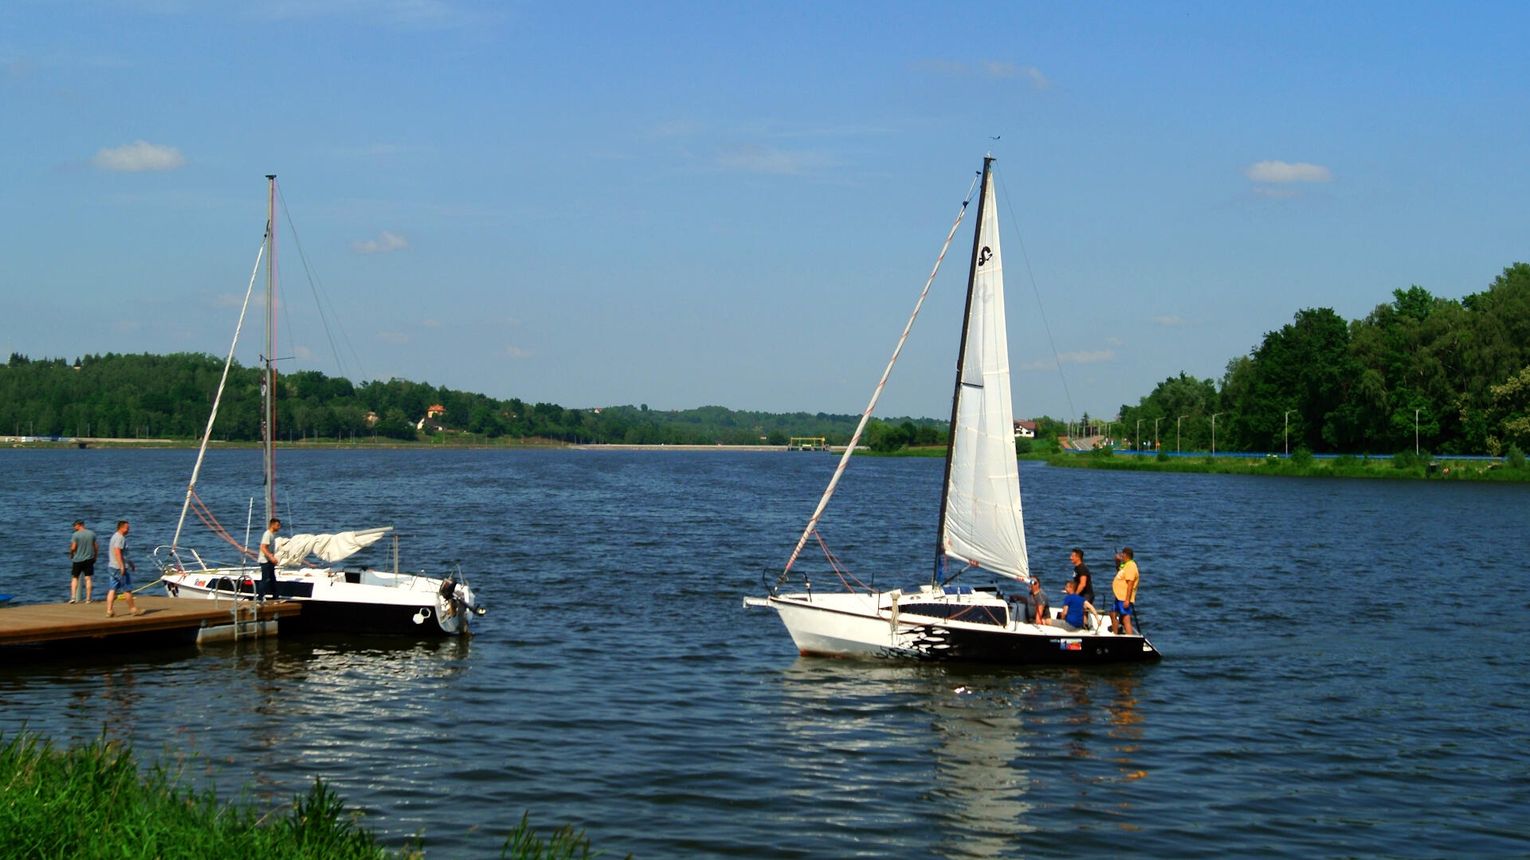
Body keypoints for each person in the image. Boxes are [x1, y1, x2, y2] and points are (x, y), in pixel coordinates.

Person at [104, 519, 143, 618]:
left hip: (112, 566)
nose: (128, 530)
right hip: (119, 568)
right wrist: (122, 566)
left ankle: (109, 610)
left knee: (112, 589)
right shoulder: (120, 538)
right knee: (127, 589)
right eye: (127, 528)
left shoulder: (114, 536)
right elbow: (117, 552)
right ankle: (133, 609)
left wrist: (130, 563)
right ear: (121, 528)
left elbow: (123, 554)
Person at [1110, 547, 1140, 635]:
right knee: (1112, 614)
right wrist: (1117, 561)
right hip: (1119, 597)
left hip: (1124, 597)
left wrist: (1127, 600)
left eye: (1122, 554)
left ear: (1126, 555)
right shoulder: (1125, 565)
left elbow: (1130, 584)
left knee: (1125, 618)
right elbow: (1119, 571)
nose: (1121, 556)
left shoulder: (1131, 566)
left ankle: (1130, 637)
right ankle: (1115, 634)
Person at [68, 519, 97, 604]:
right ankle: (88, 599)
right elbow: (95, 547)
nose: (74, 527)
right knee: (88, 578)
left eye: (75, 525)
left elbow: (73, 547)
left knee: (75, 577)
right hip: (89, 559)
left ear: (79, 525)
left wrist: (71, 554)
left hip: (77, 559)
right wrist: (95, 556)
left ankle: (73, 597)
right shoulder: (92, 533)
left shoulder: (75, 535)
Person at [258, 518, 281, 601]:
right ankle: (260, 597)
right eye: (277, 525)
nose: (279, 527)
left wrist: (272, 559)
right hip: (265, 561)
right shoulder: (267, 534)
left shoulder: (272, 535)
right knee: (265, 579)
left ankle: (275, 596)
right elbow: (263, 547)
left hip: (269, 561)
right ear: (272, 525)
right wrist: (271, 557)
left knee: (272, 579)